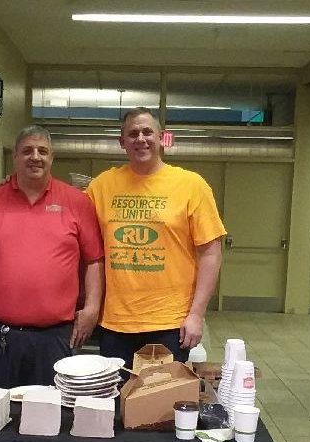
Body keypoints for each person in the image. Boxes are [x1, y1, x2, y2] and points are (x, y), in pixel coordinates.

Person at [0, 125, 104, 388]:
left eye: (42, 151)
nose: (35, 157)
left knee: (50, 418)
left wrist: (92, 308)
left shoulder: (76, 202)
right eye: (27, 151)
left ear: (51, 157)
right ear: (15, 156)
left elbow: (94, 260)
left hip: (56, 337)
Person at [86, 107, 226, 367]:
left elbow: (211, 252)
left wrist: (196, 315)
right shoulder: (101, 186)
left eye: (148, 132)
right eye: (133, 133)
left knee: (161, 404)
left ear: (162, 137)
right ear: (122, 142)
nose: (141, 139)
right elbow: (72, 229)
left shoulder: (191, 185)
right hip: (116, 323)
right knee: (115, 403)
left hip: (169, 322)